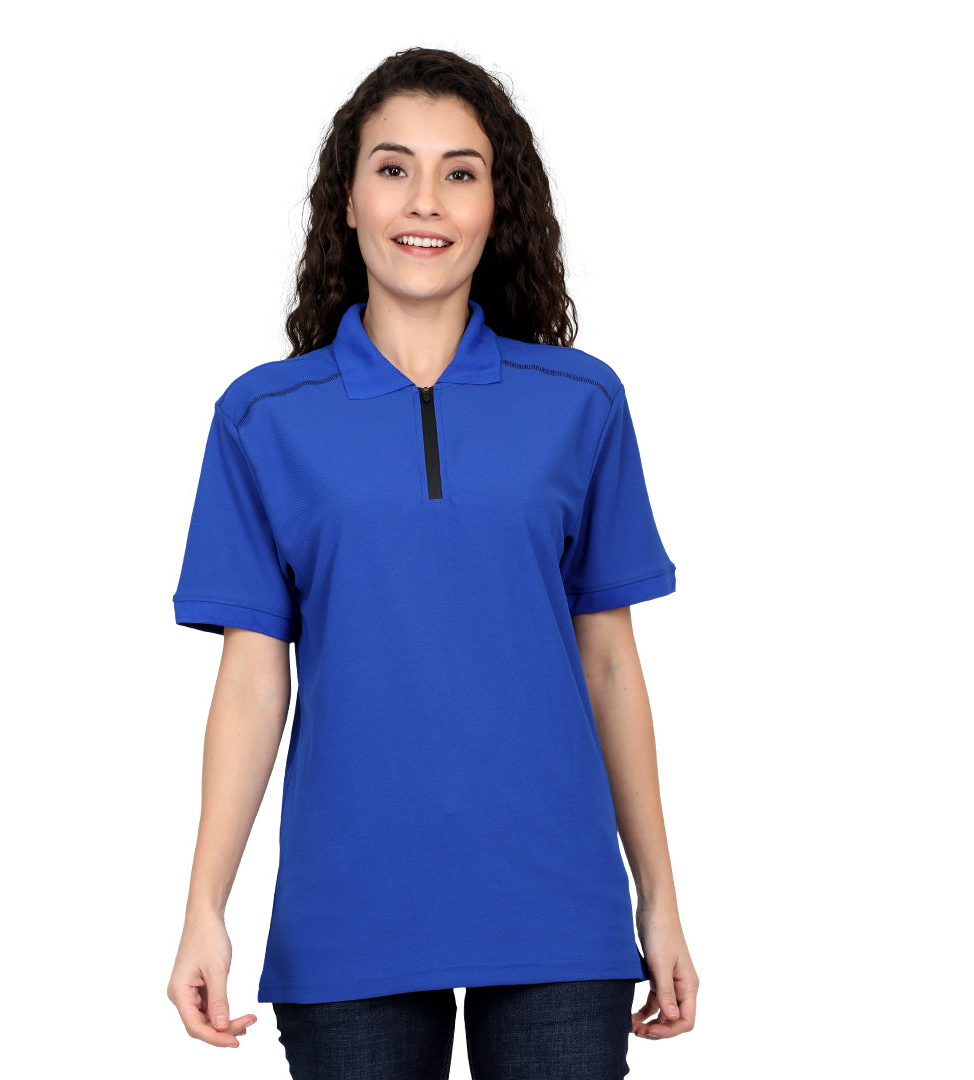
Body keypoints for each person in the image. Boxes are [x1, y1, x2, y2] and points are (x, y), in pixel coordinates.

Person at [166, 45, 699, 1079]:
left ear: (499, 205)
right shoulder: (263, 418)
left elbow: (609, 664)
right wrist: (204, 906)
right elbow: (251, 680)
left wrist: (661, 900)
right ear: (348, 200)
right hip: (348, 910)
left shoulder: (581, 403)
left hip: (557, 908)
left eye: (460, 172)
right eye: (393, 168)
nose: (425, 201)